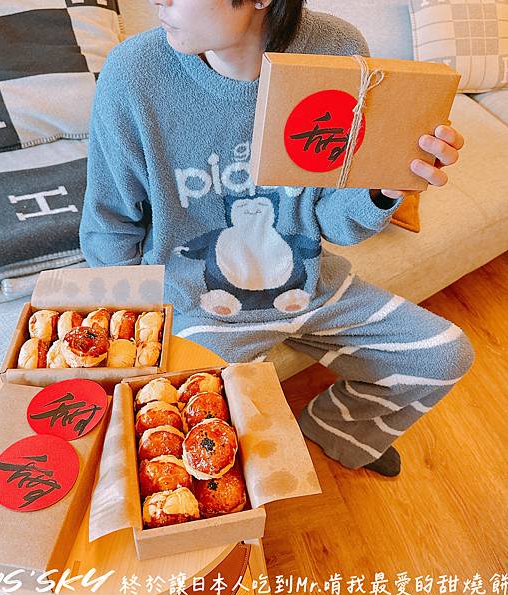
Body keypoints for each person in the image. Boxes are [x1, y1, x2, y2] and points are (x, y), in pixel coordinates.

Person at [79, 0, 475, 477]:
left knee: (444, 356)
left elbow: (332, 222)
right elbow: (109, 221)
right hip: (198, 305)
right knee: (197, 447)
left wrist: (384, 187)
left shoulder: (337, 51)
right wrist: (126, 326)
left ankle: (334, 430)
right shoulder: (133, 72)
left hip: (310, 283)